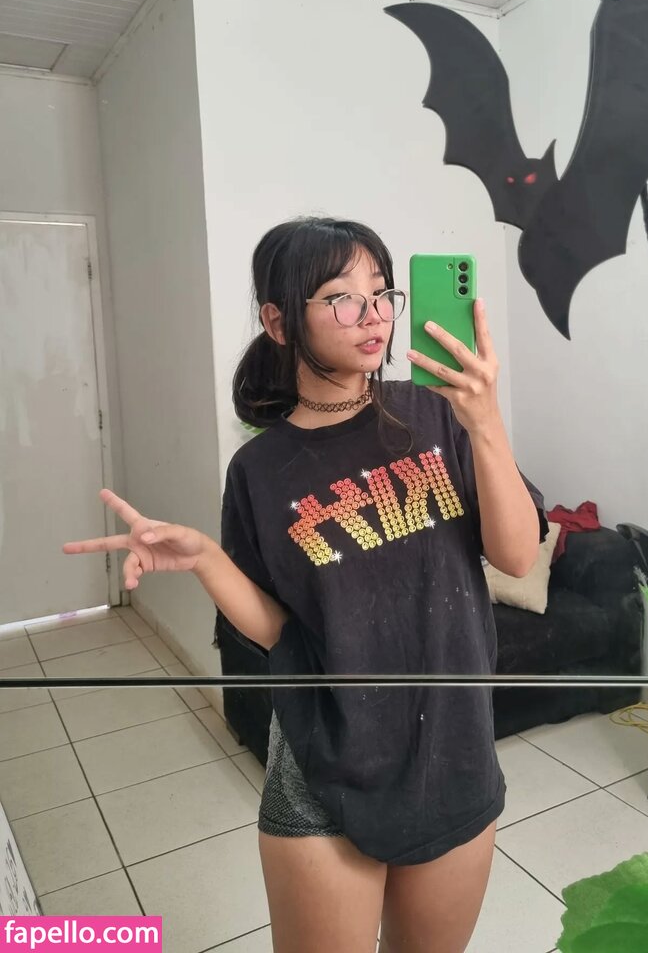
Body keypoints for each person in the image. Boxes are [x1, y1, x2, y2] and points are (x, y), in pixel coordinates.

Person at [64, 217, 546, 953]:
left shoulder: (436, 414)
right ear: (279, 321)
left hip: (453, 751)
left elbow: (515, 556)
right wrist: (205, 558)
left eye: (382, 292)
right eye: (342, 297)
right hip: (326, 760)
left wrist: (484, 422)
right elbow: (276, 630)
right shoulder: (260, 471)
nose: (374, 314)